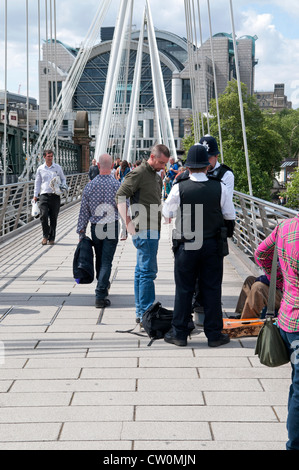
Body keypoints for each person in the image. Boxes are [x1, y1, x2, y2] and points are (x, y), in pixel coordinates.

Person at [162, 144, 236, 347]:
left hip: (186, 246)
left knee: (184, 289)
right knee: (212, 288)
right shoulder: (219, 186)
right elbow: (230, 215)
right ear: (206, 166)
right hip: (212, 245)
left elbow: (167, 213)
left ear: (188, 167)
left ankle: (179, 333)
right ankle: (214, 334)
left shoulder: (180, 186)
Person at [255, 217, 299, 450]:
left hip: (290, 319)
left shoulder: (286, 227)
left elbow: (261, 253)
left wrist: (281, 282)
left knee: (297, 387)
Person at [116, 144, 170, 324]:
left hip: (151, 228)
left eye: (165, 163)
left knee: (141, 272)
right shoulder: (139, 173)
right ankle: (147, 313)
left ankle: (141, 313)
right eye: (161, 162)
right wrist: (128, 224)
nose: (164, 166)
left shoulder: (154, 174)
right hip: (144, 230)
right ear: (153, 157)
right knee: (148, 272)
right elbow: (120, 195)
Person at [77, 153, 121, 309]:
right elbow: (124, 206)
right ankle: (100, 294)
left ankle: (103, 283)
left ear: (98, 166)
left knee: (100, 258)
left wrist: (81, 232)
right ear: (111, 166)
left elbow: (84, 211)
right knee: (107, 261)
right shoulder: (117, 185)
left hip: (96, 227)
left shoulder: (90, 186)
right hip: (111, 225)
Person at [33, 149, 67, 246]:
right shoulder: (40, 169)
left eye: (51, 156)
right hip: (44, 195)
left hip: (55, 195)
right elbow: (37, 182)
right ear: (44, 157)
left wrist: (63, 186)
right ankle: (45, 235)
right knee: (43, 216)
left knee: (53, 217)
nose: (50, 158)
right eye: (48, 156)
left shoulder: (57, 167)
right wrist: (35, 195)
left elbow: (63, 178)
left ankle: (52, 238)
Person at [199, 135, 234, 200]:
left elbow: (225, 202)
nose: (205, 162)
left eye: (208, 158)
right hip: (198, 209)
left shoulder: (226, 174)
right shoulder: (195, 172)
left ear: (216, 156)